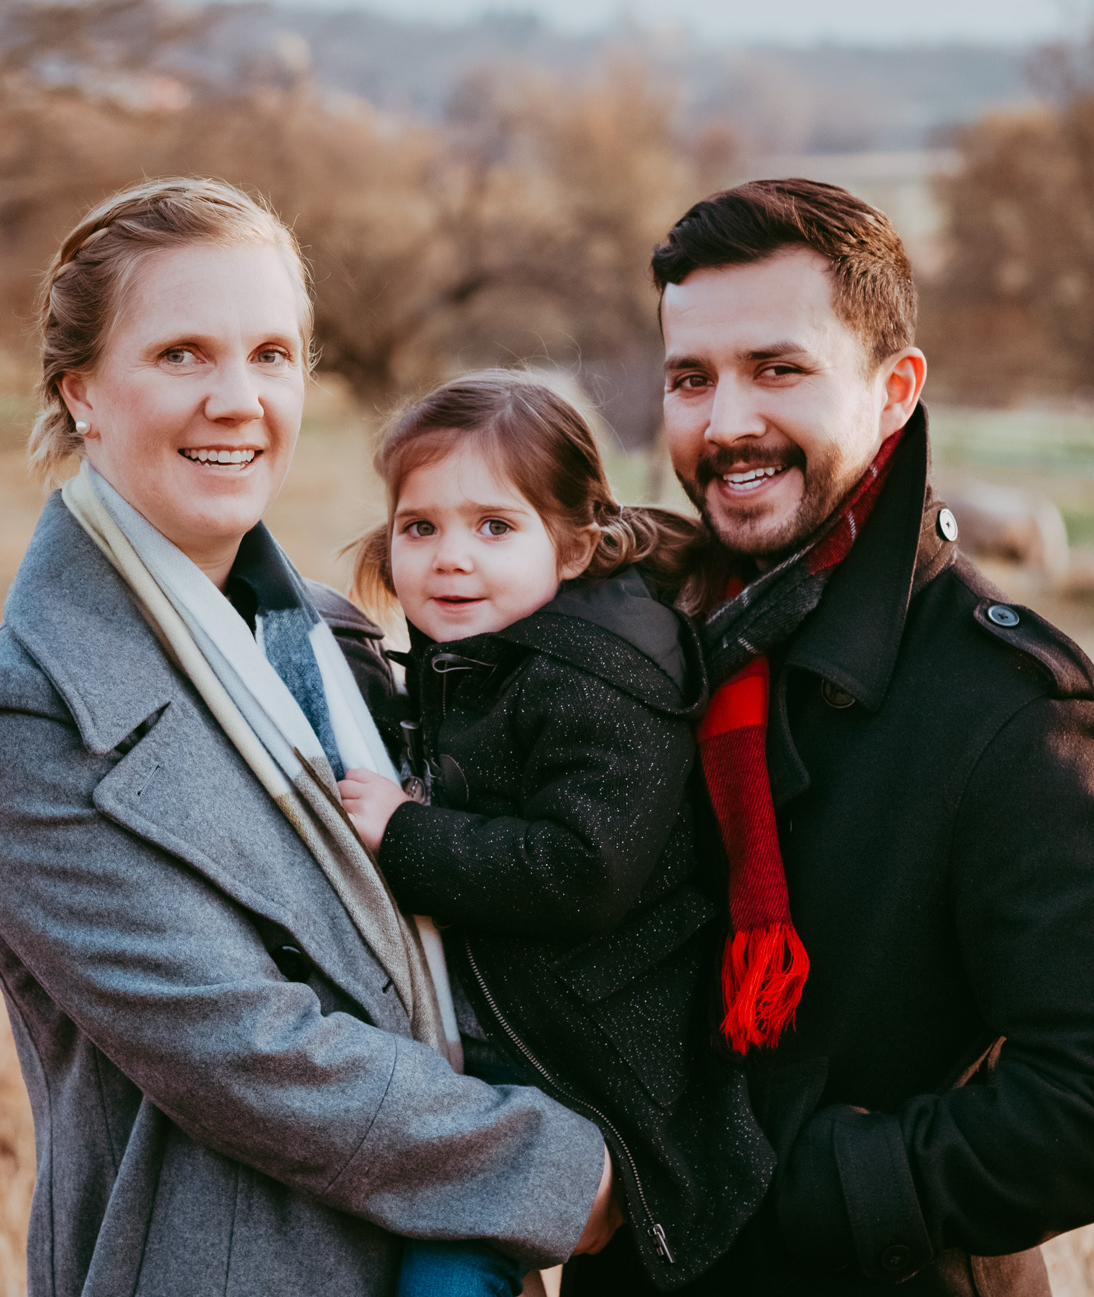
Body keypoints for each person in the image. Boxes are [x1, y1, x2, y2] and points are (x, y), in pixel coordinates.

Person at [0, 178, 619, 1297]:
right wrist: (567, 1174)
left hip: (454, 1254)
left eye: (272, 354)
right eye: (182, 355)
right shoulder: (25, 713)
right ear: (83, 394)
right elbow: (244, 1052)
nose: (237, 399)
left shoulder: (343, 639)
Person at [564, 179, 1094, 1295]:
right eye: (690, 379)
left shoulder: (1012, 711)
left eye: (779, 369)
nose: (727, 425)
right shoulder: (652, 643)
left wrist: (809, 1188)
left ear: (895, 389)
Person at [334, 374, 776, 1296]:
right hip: (516, 1044)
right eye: (421, 527)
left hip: (596, 1062)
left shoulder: (594, 681)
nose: (451, 558)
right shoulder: (478, 657)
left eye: (495, 527)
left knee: (448, 1267)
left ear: (573, 547)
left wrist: (407, 836)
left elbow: (582, 869)